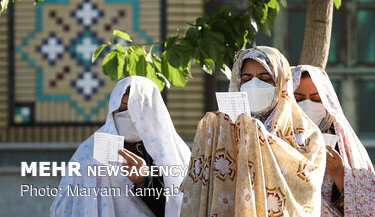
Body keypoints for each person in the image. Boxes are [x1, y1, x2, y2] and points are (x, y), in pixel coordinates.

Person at [180, 46, 325, 216]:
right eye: (246, 78)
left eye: (265, 78)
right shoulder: (222, 131)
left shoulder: (307, 135)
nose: (254, 84)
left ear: (281, 83)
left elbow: (307, 188)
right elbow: (198, 186)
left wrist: (259, 137)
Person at [50, 76, 191, 217]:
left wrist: (144, 181)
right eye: (120, 108)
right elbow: (65, 204)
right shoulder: (90, 150)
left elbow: (182, 205)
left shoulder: (172, 151)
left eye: (132, 110)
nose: (124, 115)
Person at [292, 65, 375, 216]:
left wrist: (339, 173)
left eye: (316, 99)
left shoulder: (345, 146)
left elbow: (364, 207)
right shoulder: (273, 140)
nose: (308, 105)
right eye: (299, 99)